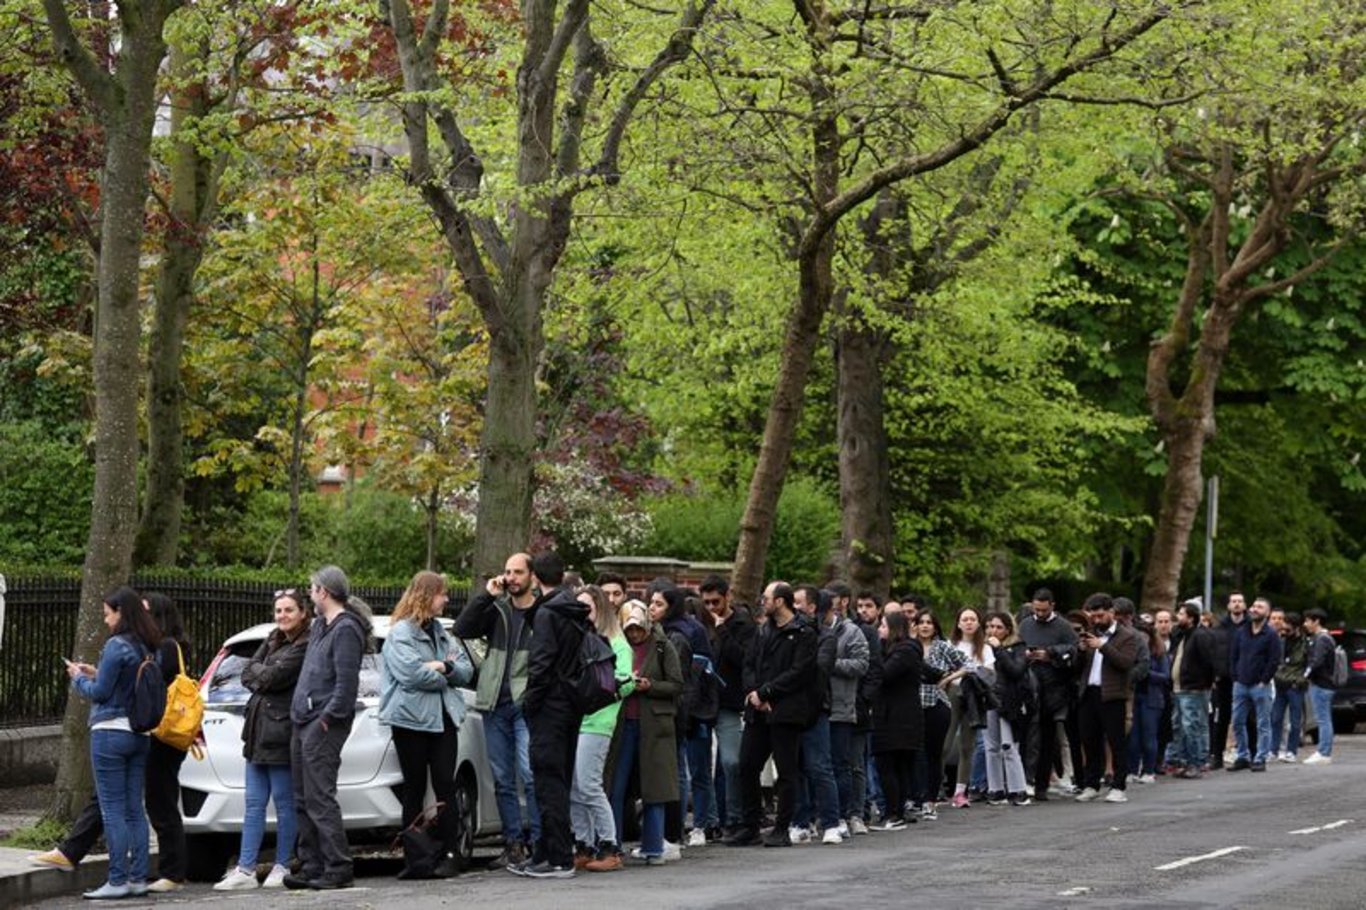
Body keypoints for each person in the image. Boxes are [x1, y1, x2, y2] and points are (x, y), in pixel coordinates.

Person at [65, 586, 162, 900]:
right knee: (135, 809)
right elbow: (123, 682)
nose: (106, 621)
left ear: (121, 612)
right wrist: (96, 672)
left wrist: (78, 679)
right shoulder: (149, 647)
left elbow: (101, 693)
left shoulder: (115, 644)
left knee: (112, 811)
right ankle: (137, 879)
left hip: (109, 733)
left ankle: (116, 880)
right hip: (140, 734)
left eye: (108, 614)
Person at [378, 571, 474, 879]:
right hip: (410, 720)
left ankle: (450, 853)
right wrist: (445, 674)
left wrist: (442, 666)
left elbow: (466, 670)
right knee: (414, 788)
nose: (446, 599)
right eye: (442, 594)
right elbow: (411, 675)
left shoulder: (443, 633)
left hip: (443, 718)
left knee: (446, 783)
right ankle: (416, 857)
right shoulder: (400, 634)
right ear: (425, 595)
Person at [216, 588, 311, 890]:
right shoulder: (272, 639)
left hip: (281, 732)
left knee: (284, 804)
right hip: (256, 732)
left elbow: (270, 678)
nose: (282, 616)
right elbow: (247, 674)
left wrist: (263, 673)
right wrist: (263, 671)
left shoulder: (304, 645)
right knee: (253, 803)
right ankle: (245, 869)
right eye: (279, 611)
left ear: (303, 612)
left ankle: (282, 865)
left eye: (289, 610)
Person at [453, 552, 541, 868]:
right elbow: (462, 629)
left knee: (530, 775)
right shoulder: (497, 609)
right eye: (508, 572)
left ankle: (538, 843)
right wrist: (486, 596)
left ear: (532, 576)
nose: (512, 577)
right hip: (494, 704)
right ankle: (513, 844)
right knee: (503, 778)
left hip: (524, 706)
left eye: (518, 572)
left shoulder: (542, 612)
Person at [285, 565, 370, 890]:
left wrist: (325, 719)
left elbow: (346, 685)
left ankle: (338, 866)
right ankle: (311, 865)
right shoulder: (322, 625)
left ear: (324, 591)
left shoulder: (346, 629)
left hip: (322, 725)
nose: (309, 593)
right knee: (302, 798)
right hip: (302, 721)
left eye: (312, 588)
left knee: (320, 797)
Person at [515, 550, 593, 879]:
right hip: (572, 703)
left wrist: (528, 703)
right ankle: (547, 853)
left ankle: (558, 857)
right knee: (557, 778)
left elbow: (541, 664)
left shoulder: (548, 614)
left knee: (548, 782)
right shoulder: (574, 612)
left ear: (535, 577)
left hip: (549, 705)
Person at [725, 582, 819, 848]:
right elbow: (749, 663)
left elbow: (800, 671)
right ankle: (750, 825)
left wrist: (768, 692)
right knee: (747, 765)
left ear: (780, 601)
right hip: (758, 710)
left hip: (786, 711)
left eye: (765, 597)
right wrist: (754, 693)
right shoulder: (762, 630)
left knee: (787, 771)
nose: (761, 602)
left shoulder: (803, 632)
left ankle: (782, 827)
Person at [606, 601, 683, 866]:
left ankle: (653, 847)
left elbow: (676, 684)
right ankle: (611, 845)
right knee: (616, 785)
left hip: (654, 724)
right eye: (630, 629)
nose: (635, 633)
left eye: (639, 628)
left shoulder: (662, 646)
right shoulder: (617, 647)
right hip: (623, 722)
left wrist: (650, 686)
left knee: (655, 787)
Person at [570, 585, 632, 872]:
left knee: (589, 784)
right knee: (575, 787)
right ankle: (584, 843)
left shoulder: (616, 642)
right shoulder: (584, 638)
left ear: (599, 608)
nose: (583, 612)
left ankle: (610, 846)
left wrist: (600, 690)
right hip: (579, 719)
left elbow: (626, 681)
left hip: (598, 721)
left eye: (587, 607)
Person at [142, 593, 190, 893]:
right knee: (159, 800)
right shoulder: (163, 645)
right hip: (161, 732)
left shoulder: (167, 647)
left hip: (165, 734)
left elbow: (157, 681)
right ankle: (170, 869)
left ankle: (173, 871)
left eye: (146, 612)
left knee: (162, 801)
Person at [1074, 593, 1143, 803]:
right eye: (1093, 616)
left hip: (1113, 694)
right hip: (1089, 692)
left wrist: (1102, 646)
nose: (1096, 620)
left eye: (1100, 615)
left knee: (1116, 741)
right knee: (1089, 740)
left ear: (1112, 613)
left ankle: (1118, 785)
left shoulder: (1128, 636)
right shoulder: (1090, 634)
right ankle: (1091, 784)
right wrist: (1080, 650)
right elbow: (1077, 669)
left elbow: (1125, 663)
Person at [701, 574, 755, 838]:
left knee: (730, 762)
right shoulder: (701, 622)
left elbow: (745, 659)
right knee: (704, 767)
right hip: (705, 701)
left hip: (729, 701)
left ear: (727, 597)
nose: (711, 608)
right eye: (707, 603)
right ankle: (713, 820)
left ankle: (734, 818)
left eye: (715, 601)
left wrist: (722, 629)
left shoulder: (743, 623)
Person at [1018, 588, 1078, 801]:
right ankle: (1024, 780)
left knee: (1046, 739)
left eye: (1044, 610)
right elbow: (1017, 647)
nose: (1040, 614)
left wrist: (1050, 653)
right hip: (1028, 686)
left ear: (1052, 606)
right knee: (1027, 737)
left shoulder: (1063, 627)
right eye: (1036, 610)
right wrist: (1026, 654)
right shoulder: (1025, 624)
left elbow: (1074, 651)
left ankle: (1041, 783)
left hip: (1052, 689)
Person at [822, 587, 870, 836]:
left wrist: (830, 664)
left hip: (842, 706)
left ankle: (844, 814)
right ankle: (822, 815)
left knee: (844, 764)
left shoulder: (852, 632)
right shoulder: (812, 632)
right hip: (816, 707)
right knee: (819, 765)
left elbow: (863, 664)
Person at [870, 611, 923, 830]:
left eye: (882, 626)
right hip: (893, 714)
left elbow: (885, 674)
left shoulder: (905, 651)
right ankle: (896, 810)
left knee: (891, 765)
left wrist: (874, 655)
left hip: (898, 717)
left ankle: (894, 812)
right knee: (894, 765)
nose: (879, 630)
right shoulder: (896, 650)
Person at [913, 611, 965, 820]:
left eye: (929, 623)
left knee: (934, 754)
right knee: (915, 754)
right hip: (913, 705)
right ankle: (915, 797)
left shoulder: (943, 646)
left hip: (937, 703)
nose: (925, 626)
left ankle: (930, 800)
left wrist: (948, 679)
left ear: (935, 626)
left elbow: (968, 665)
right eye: (921, 622)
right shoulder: (910, 646)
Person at [1227, 596, 1282, 772]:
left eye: (1260, 607)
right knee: (1237, 721)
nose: (1254, 609)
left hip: (1260, 685)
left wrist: (1264, 680)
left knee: (1263, 723)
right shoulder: (1241, 632)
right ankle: (1242, 755)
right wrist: (1235, 676)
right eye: (1254, 606)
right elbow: (1233, 655)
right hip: (1241, 683)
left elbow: (1274, 660)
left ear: (1267, 612)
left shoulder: (1271, 635)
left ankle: (1260, 757)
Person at [983, 612, 1033, 806]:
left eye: (998, 627)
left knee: (1009, 746)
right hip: (990, 699)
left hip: (1009, 702)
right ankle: (995, 789)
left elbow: (1016, 671)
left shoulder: (1018, 647)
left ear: (1008, 629)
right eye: (990, 626)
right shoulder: (984, 648)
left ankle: (1018, 789)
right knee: (991, 747)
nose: (993, 631)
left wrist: (1000, 650)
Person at [1167, 601, 1217, 779]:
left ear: (1190, 618)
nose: (1177, 617)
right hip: (1179, 688)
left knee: (1192, 726)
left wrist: (1206, 682)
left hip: (1193, 689)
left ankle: (1195, 762)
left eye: (1181, 614)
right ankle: (1183, 761)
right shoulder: (1183, 635)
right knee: (1179, 726)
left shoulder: (1200, 636)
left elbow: (1208, 661)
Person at [946, 607, 989, 809]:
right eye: (965, 619)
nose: (969, 622)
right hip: (953, 694)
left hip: (974, 696)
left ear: (978, 623)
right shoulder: (950, 645)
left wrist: (965, 671)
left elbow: (989, 672)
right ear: (958, 623)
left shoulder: (985, 648)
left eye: (973, 619)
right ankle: (935, 789)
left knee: (967, 746)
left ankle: (960, 791)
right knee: (945, 744)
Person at [1127, 621, 1171, 784]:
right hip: (1134, 697)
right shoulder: (1132, 652)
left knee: (1149, 736)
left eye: (1144, 636)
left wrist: (1146, 672)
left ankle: (1149, 770)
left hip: (1151, 698)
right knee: (1133, 738)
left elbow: (1165, 677)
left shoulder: (1158, 653)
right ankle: (1132, 769)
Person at [1270, 610, 1307, 762]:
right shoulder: (1281, 640)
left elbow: (1307, 663)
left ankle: (1291, 751)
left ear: (1296, 627)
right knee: (1276, 718)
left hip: (1295, 685)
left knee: (1295, 720)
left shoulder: (1305, 643)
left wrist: (1300, 680)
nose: (1284, 629)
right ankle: (1274, 750)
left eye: (1287, 627)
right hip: (1280, 684)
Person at [1302, 608, 1337, 765]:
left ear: (1316, 621)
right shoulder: (1325, 637)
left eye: (1308, 620)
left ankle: (1323, 752)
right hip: (1325, 683)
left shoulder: (1321, 639)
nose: (1305, 624)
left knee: (1323, 719)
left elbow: (1317, 661)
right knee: (1324, 718)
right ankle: (1324, 751)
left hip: (1321, 683)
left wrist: (1305, 675)